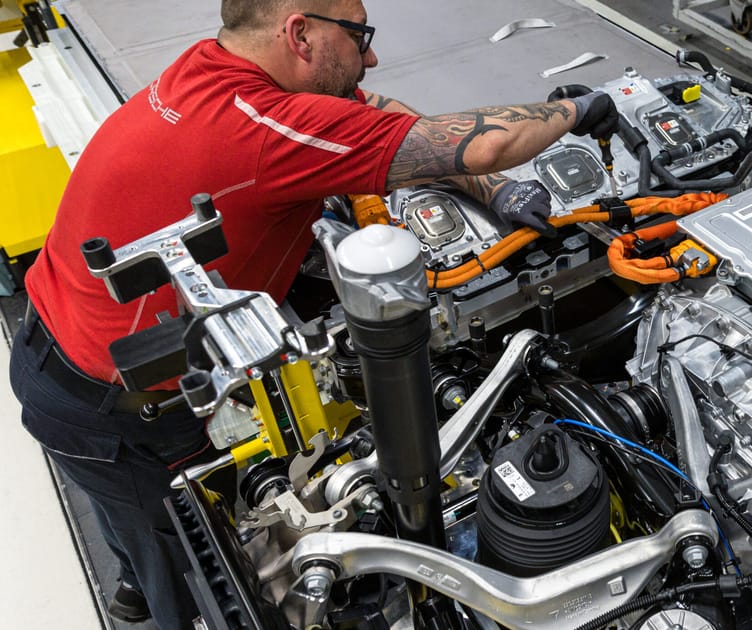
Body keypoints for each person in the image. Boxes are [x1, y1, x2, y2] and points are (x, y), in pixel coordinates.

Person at [7, 0, 618, 628]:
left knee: (131, 521)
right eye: (360, 37)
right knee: (193, 577)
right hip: (113, 410)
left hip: (55, 344)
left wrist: (501, 192)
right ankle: (154, 595)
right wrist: (578, 107)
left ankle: (134, 578)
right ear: (300, 33)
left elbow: (376, 110)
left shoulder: (209, 70)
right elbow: (487, 143)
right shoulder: (267, 127)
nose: (372, 55)